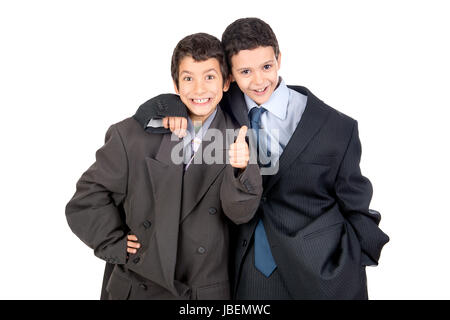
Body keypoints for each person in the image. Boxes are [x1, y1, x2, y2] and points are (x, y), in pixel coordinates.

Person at [137, 17, 389, 299]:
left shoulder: (336, 128)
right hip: (242, 270)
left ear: (279, 59)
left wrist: (351, 260)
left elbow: (356, 204)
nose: (259, 81)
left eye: (266, 66)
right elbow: (183, 95)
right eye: (245, 71)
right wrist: (171, 108)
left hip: (319, 271)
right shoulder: (219, 104)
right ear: (228, 76)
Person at [65, 33, 263, 300]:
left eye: (209, 77)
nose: (199, 90)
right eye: (188, 78)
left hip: (203, 293)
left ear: (226, 82)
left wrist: (241, 169)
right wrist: (114, 243)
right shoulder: (132, 135)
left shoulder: (239, 137)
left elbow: (240, 214)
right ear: (175, 83)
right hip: (139, 286)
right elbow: (86, 200)